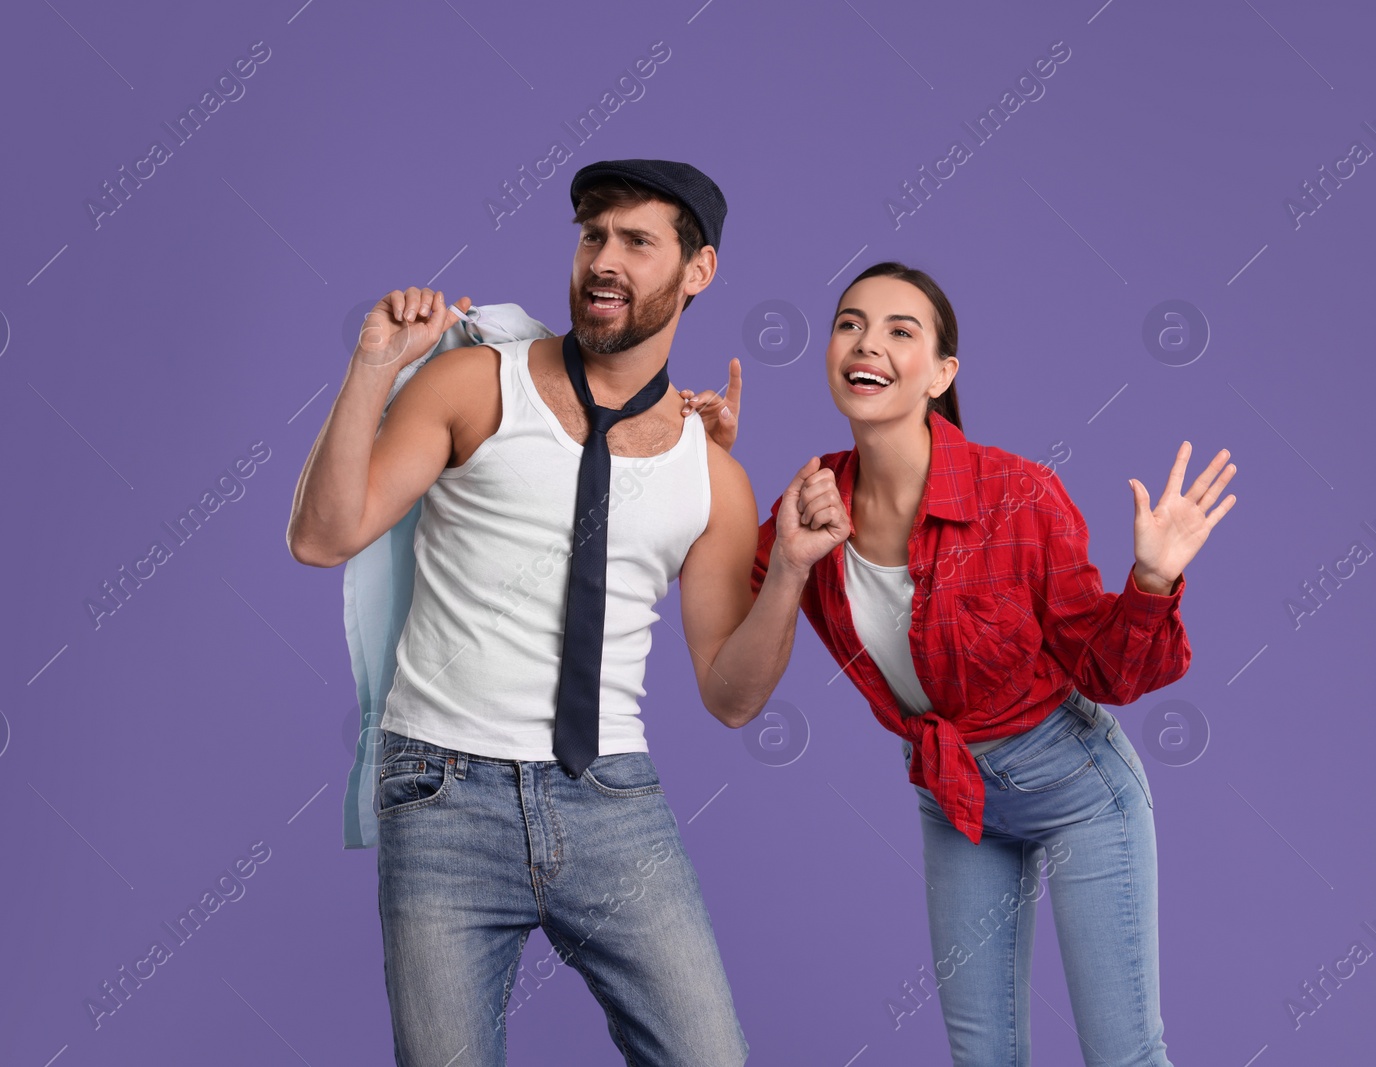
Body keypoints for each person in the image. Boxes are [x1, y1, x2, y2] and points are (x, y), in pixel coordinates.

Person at [285, 159, 817, 1066]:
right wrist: (373, 369)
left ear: (699, 271)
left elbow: (731, 696)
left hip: (611, 797)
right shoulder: (474, 387)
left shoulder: (713, 474)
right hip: (443, 792)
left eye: (637, 242)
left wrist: (791, 572)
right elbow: (323, 536)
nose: (603, 261)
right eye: (591, 236)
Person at [692, 260, 1237, 1065]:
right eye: (850, 323)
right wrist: (721, 487)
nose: (865, 342)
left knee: (1122, 1052)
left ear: (942, 373)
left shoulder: (1015, 494)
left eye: (898, 330)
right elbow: (733, 696)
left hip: (1078, 788)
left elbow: (1107, 674)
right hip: (954, 797)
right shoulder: (810, 503)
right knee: (983, 1057)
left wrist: (1151, 581)